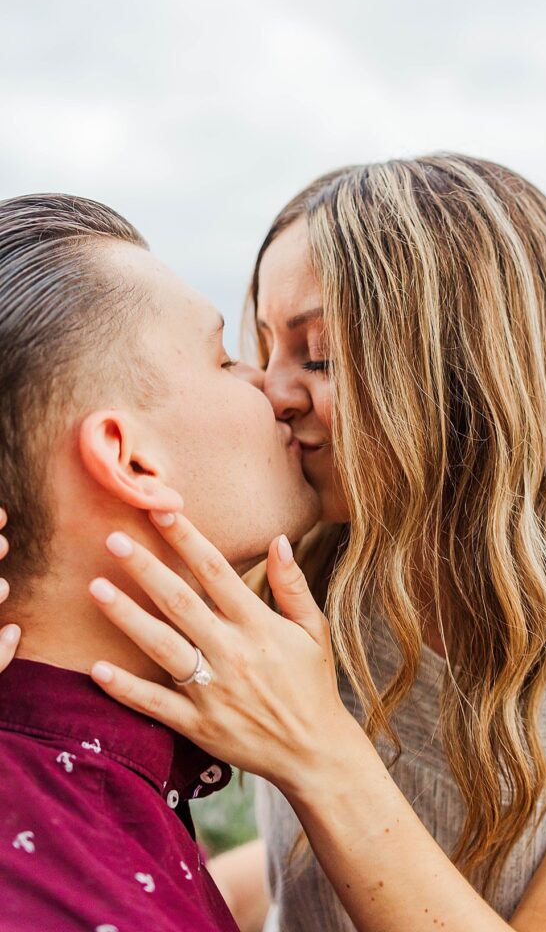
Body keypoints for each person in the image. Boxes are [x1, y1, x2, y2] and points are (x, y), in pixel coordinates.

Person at [3, 155, 546, 932]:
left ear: (466, 371)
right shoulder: (292, 564)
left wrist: (318, 752)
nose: (273, 389)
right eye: (254, 349)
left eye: (317, 355)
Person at [0, 193, 319, 931]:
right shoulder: (63, 892)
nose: (271, 389)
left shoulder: (78, 809)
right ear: (130, 458)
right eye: (224, 358)